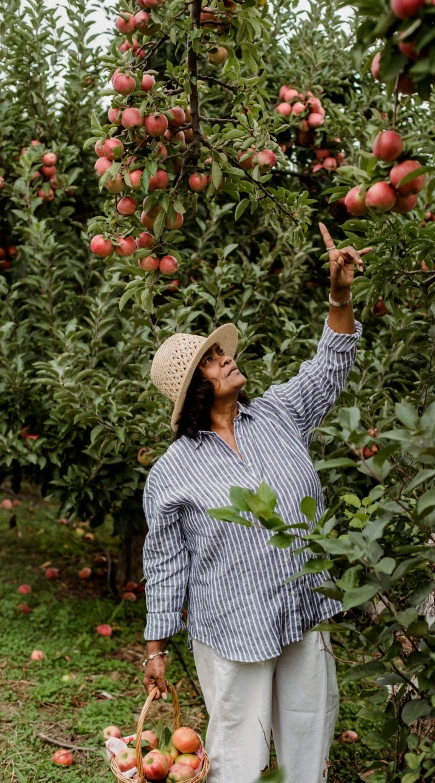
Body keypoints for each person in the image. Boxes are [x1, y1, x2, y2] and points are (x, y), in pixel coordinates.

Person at [141, 223, 369, 783]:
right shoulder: (172, 472)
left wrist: (339, 295)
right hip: (233, 622)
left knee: (308, 725)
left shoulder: (278, 414)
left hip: (301, 605)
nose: (227, 361)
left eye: (222, 354)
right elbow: (167, 564)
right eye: (215, 361)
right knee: (238, 745)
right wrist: (155, 647)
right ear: (196, 387)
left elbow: (329, 365)